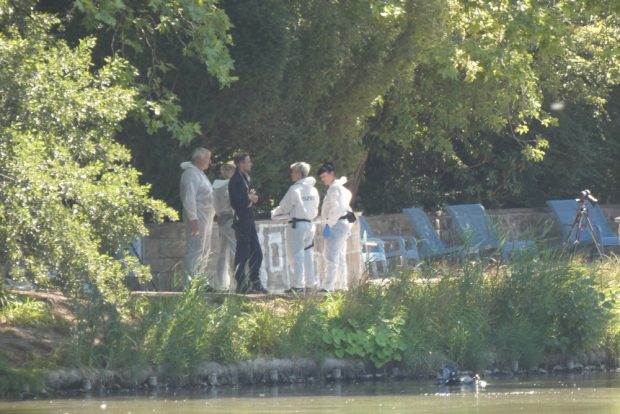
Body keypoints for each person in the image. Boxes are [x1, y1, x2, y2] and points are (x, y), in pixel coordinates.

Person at [271, 162, 320, 293]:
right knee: (308, 254)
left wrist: (273, 213)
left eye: (293, 172)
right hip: (310, 224)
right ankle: (310, 284)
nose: (291, 174)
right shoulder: (313, 190)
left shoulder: (295, 189)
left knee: (296, 255)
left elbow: (284, 206)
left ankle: (298, 285)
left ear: (299, 173)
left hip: (297, 225)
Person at [228, 153, 268, 294]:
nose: (250, 164)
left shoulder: (245, 178)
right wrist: (249, 198)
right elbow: (238, 201)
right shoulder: (235, 180)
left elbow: (253, 196)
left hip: (249, 218)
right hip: (242, 219)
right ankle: (242, 284)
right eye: (248, 162)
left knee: (257, 253)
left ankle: (255, 281)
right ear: (240, 164)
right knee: (243, 253)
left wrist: (252, 198)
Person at [180, 147, 215, 285]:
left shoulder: (199, 173)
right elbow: (189, 198)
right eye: (208, 159)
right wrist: (193, 219)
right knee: (195, 249)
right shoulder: (190, 174)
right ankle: (190, 284)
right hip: (198, 216)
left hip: (206, 215)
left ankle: (200, 282)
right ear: (200, 159)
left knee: (204, 249)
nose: (210, 162)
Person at [318, 161, 353, 292]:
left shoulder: (334, 188)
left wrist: (328, 224)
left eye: (324, 176)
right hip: (342, 224)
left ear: (332, 174)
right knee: (339, 256)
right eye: (321, 178)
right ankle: (341, 285)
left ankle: (328, 286)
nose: (323, 180)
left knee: (331, 256)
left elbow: (337, 209)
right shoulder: (340, 188)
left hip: (336, 224)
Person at [212, 161, 237, 291]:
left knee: (222, 253)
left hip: (221, 218)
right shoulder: (230, 186)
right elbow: (233, 203)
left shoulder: (216, 186)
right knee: (234, 250)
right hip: (231, 219)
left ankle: (220, 284)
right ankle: (236, 282)